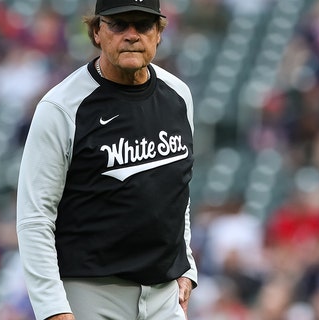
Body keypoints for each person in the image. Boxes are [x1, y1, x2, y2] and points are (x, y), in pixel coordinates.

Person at [15, 0, 198, 319]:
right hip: (91, 295)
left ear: (158, 33)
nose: (131, 34)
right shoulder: (62, 107)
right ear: (96, 31)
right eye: (118, 24)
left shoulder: (178, 95)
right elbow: (35, 216)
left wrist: (187, 267)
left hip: (164, 297)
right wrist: (53, 308)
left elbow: (177, 192)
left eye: (142, 25)